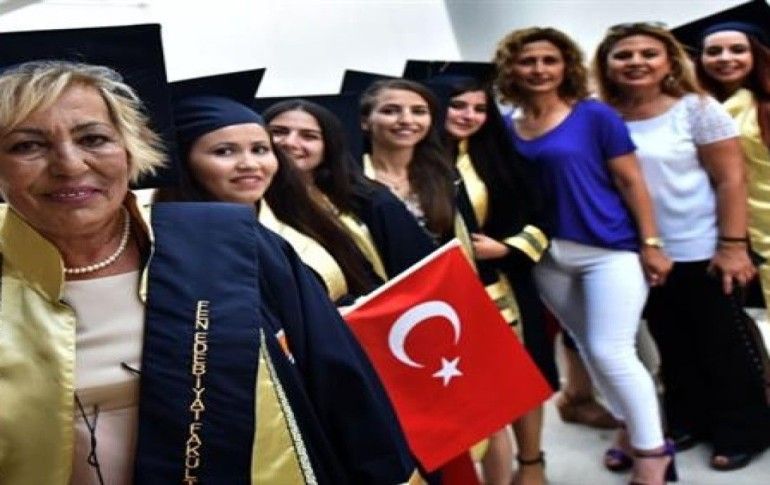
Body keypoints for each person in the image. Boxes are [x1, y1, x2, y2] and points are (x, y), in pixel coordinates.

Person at [0, 59, 413, 484]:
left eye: (94, 139)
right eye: (27, 146)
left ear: (131, 147)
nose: (69, 164)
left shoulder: (227, 245)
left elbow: (345, 394)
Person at [494, 27, 674, 484]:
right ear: (511, 68)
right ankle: (629, 428)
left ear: (566, 66)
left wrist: (651, 243)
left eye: (549, 60)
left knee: (611, 350)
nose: (539, 69)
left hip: (608, 248)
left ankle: (654, 454)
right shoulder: (506, 125)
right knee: (589, 348)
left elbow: (631, 181)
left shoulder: (594, 115)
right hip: (546, 256)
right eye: (527, 61)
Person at [595, 22, 770, 472]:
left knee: (722, 342)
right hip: (637, 250)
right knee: (670, 341)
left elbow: (731, 179)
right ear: (606, 65)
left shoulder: (697, 109)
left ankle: (744, 429)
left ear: (670, 61)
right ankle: (689, 418)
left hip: (702, 245)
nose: (636, 62)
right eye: (623, 55)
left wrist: (733, 246)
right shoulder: (602, 115)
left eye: (648, 54)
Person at [422, 72, 561, 485]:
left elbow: (543, 218)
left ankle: (532, 463)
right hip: (445, 297)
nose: (469, 115)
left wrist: (507, 248)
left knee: (523, 376)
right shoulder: (413, 161)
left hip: (504, 285)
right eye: (458, 105)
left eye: (479, 108)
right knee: (474, 390)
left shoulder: (500, 158)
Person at [165, 94, 382, 303]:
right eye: (224, 152)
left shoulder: (305, 216)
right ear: (184, 162)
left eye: (260, 149)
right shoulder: (172, 245)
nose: (250, 164)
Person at [262, 98, 435, 280]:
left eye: (309, 136)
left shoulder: (371, 200)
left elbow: (422, 272)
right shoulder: (252, 203)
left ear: (328, 147)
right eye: (278, 132)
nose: (290, 142)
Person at [695, 23, 770, 316]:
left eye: (738, 50)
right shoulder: (696, 107)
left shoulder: (763, 105)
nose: (725, 58)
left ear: (756, 55)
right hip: (725, 232)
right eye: (714, 52)